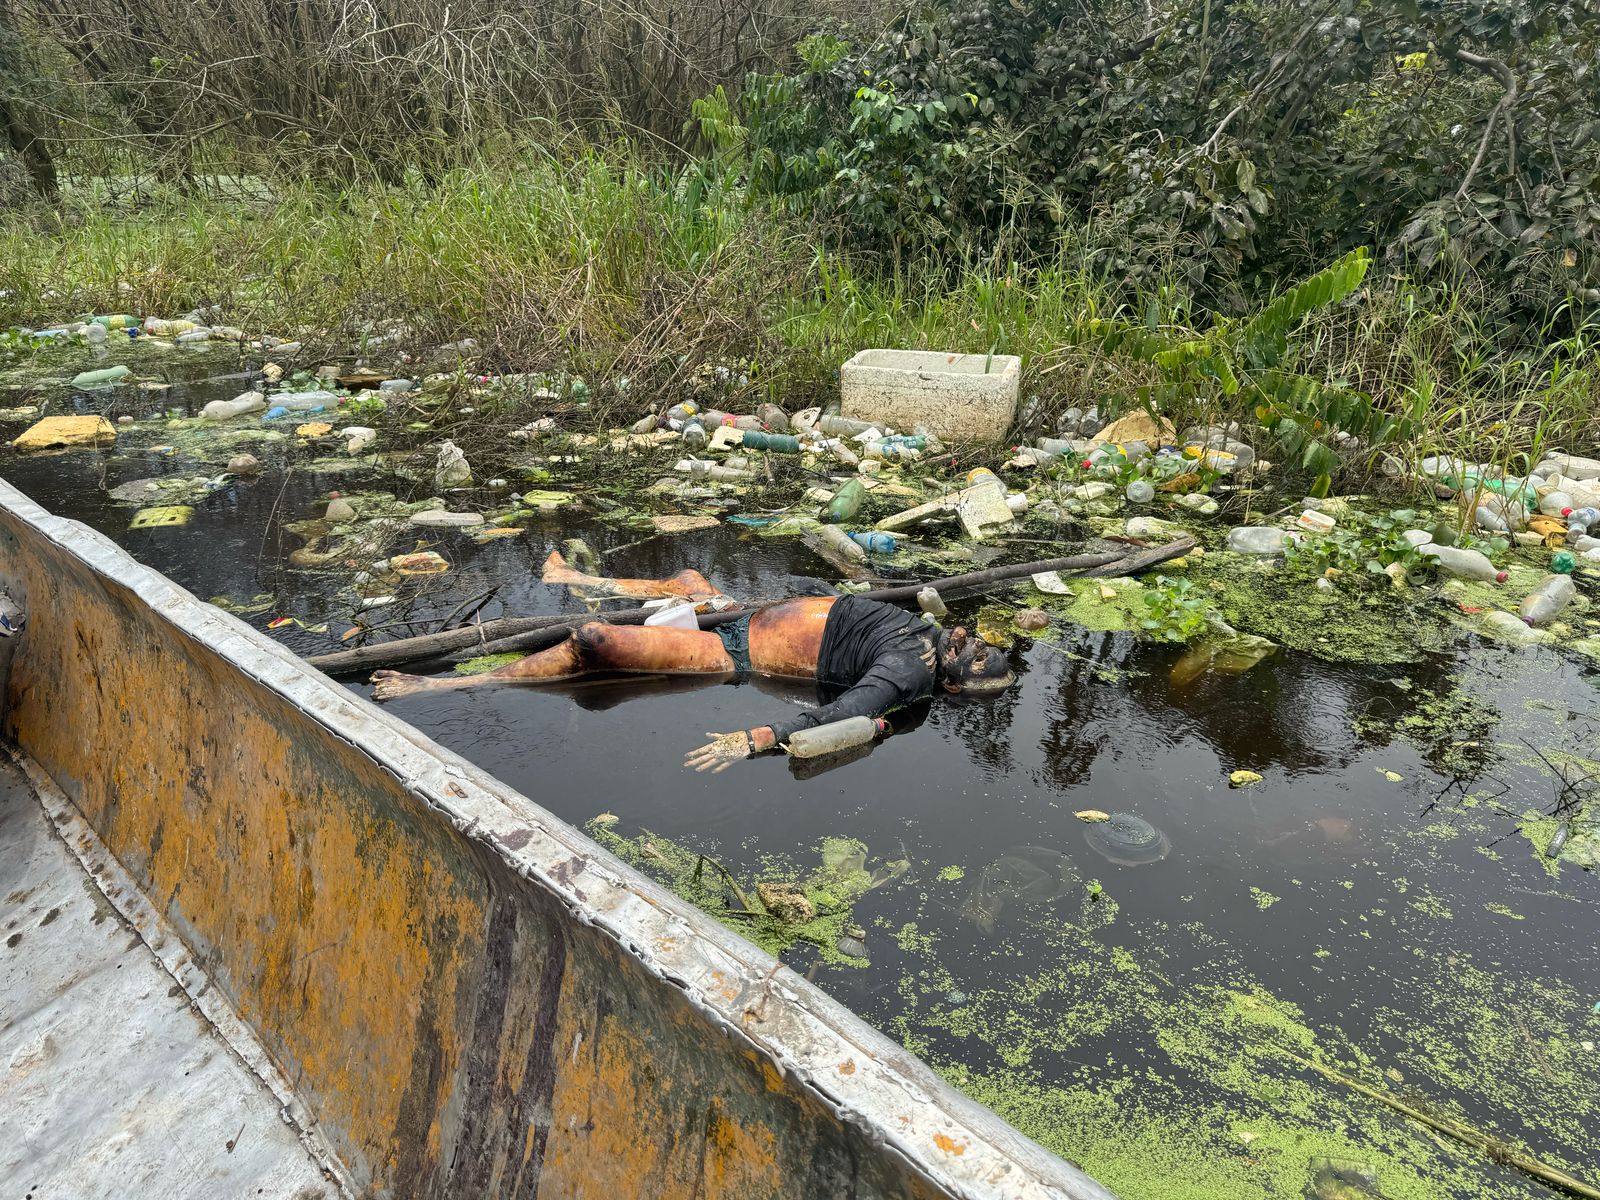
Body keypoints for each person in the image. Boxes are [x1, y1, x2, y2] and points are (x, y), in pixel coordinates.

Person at [370, 588, 1015, 772]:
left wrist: (756, 738)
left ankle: (444, 688)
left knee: (595, 642)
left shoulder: (910, 672)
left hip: (731, 655)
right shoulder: (926, 636)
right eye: (983, 644)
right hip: (747, 611)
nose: (974, 644)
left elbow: (840, 714)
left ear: (955, 684)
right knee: (684, 583)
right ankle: (581, 577)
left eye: (978, 659)